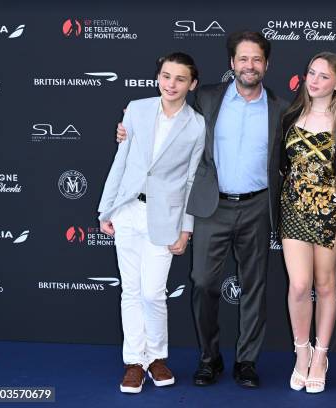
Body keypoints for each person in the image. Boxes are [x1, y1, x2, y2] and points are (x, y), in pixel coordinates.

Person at [117, 31, 289, 388]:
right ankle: (210, 358)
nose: (249, 65)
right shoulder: (206, 98)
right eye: (243, 58)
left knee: (254, 286)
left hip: (258, 205)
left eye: (256, 59)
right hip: (211, 206)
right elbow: (167, 123)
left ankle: (246, 361)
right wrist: (128, 130)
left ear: (267, 64)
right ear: (232, 63)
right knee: (202, 283)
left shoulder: (282, 109)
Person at [97, 52, 205, 394]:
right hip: (127, 210)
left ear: (192, 84)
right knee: (130, 290)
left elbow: (191, 180)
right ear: (158, 77)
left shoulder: (197, 124)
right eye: (166, 76)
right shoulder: (136, 109)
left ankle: (157, 357)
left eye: (179, 79)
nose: (170, 84)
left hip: (166, 218)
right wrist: (106, 210)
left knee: (152, 292)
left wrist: (186, 229)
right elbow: (121, 161)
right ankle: (134, 362)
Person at [280, 52, 336, 394]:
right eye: (311, 72)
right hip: (293, 208)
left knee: (325, 285)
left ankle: (321, 356)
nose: (314, 80)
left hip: (330, 212)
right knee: (299, 285)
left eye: (324, 76)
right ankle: (301, 352)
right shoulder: (289, 115)